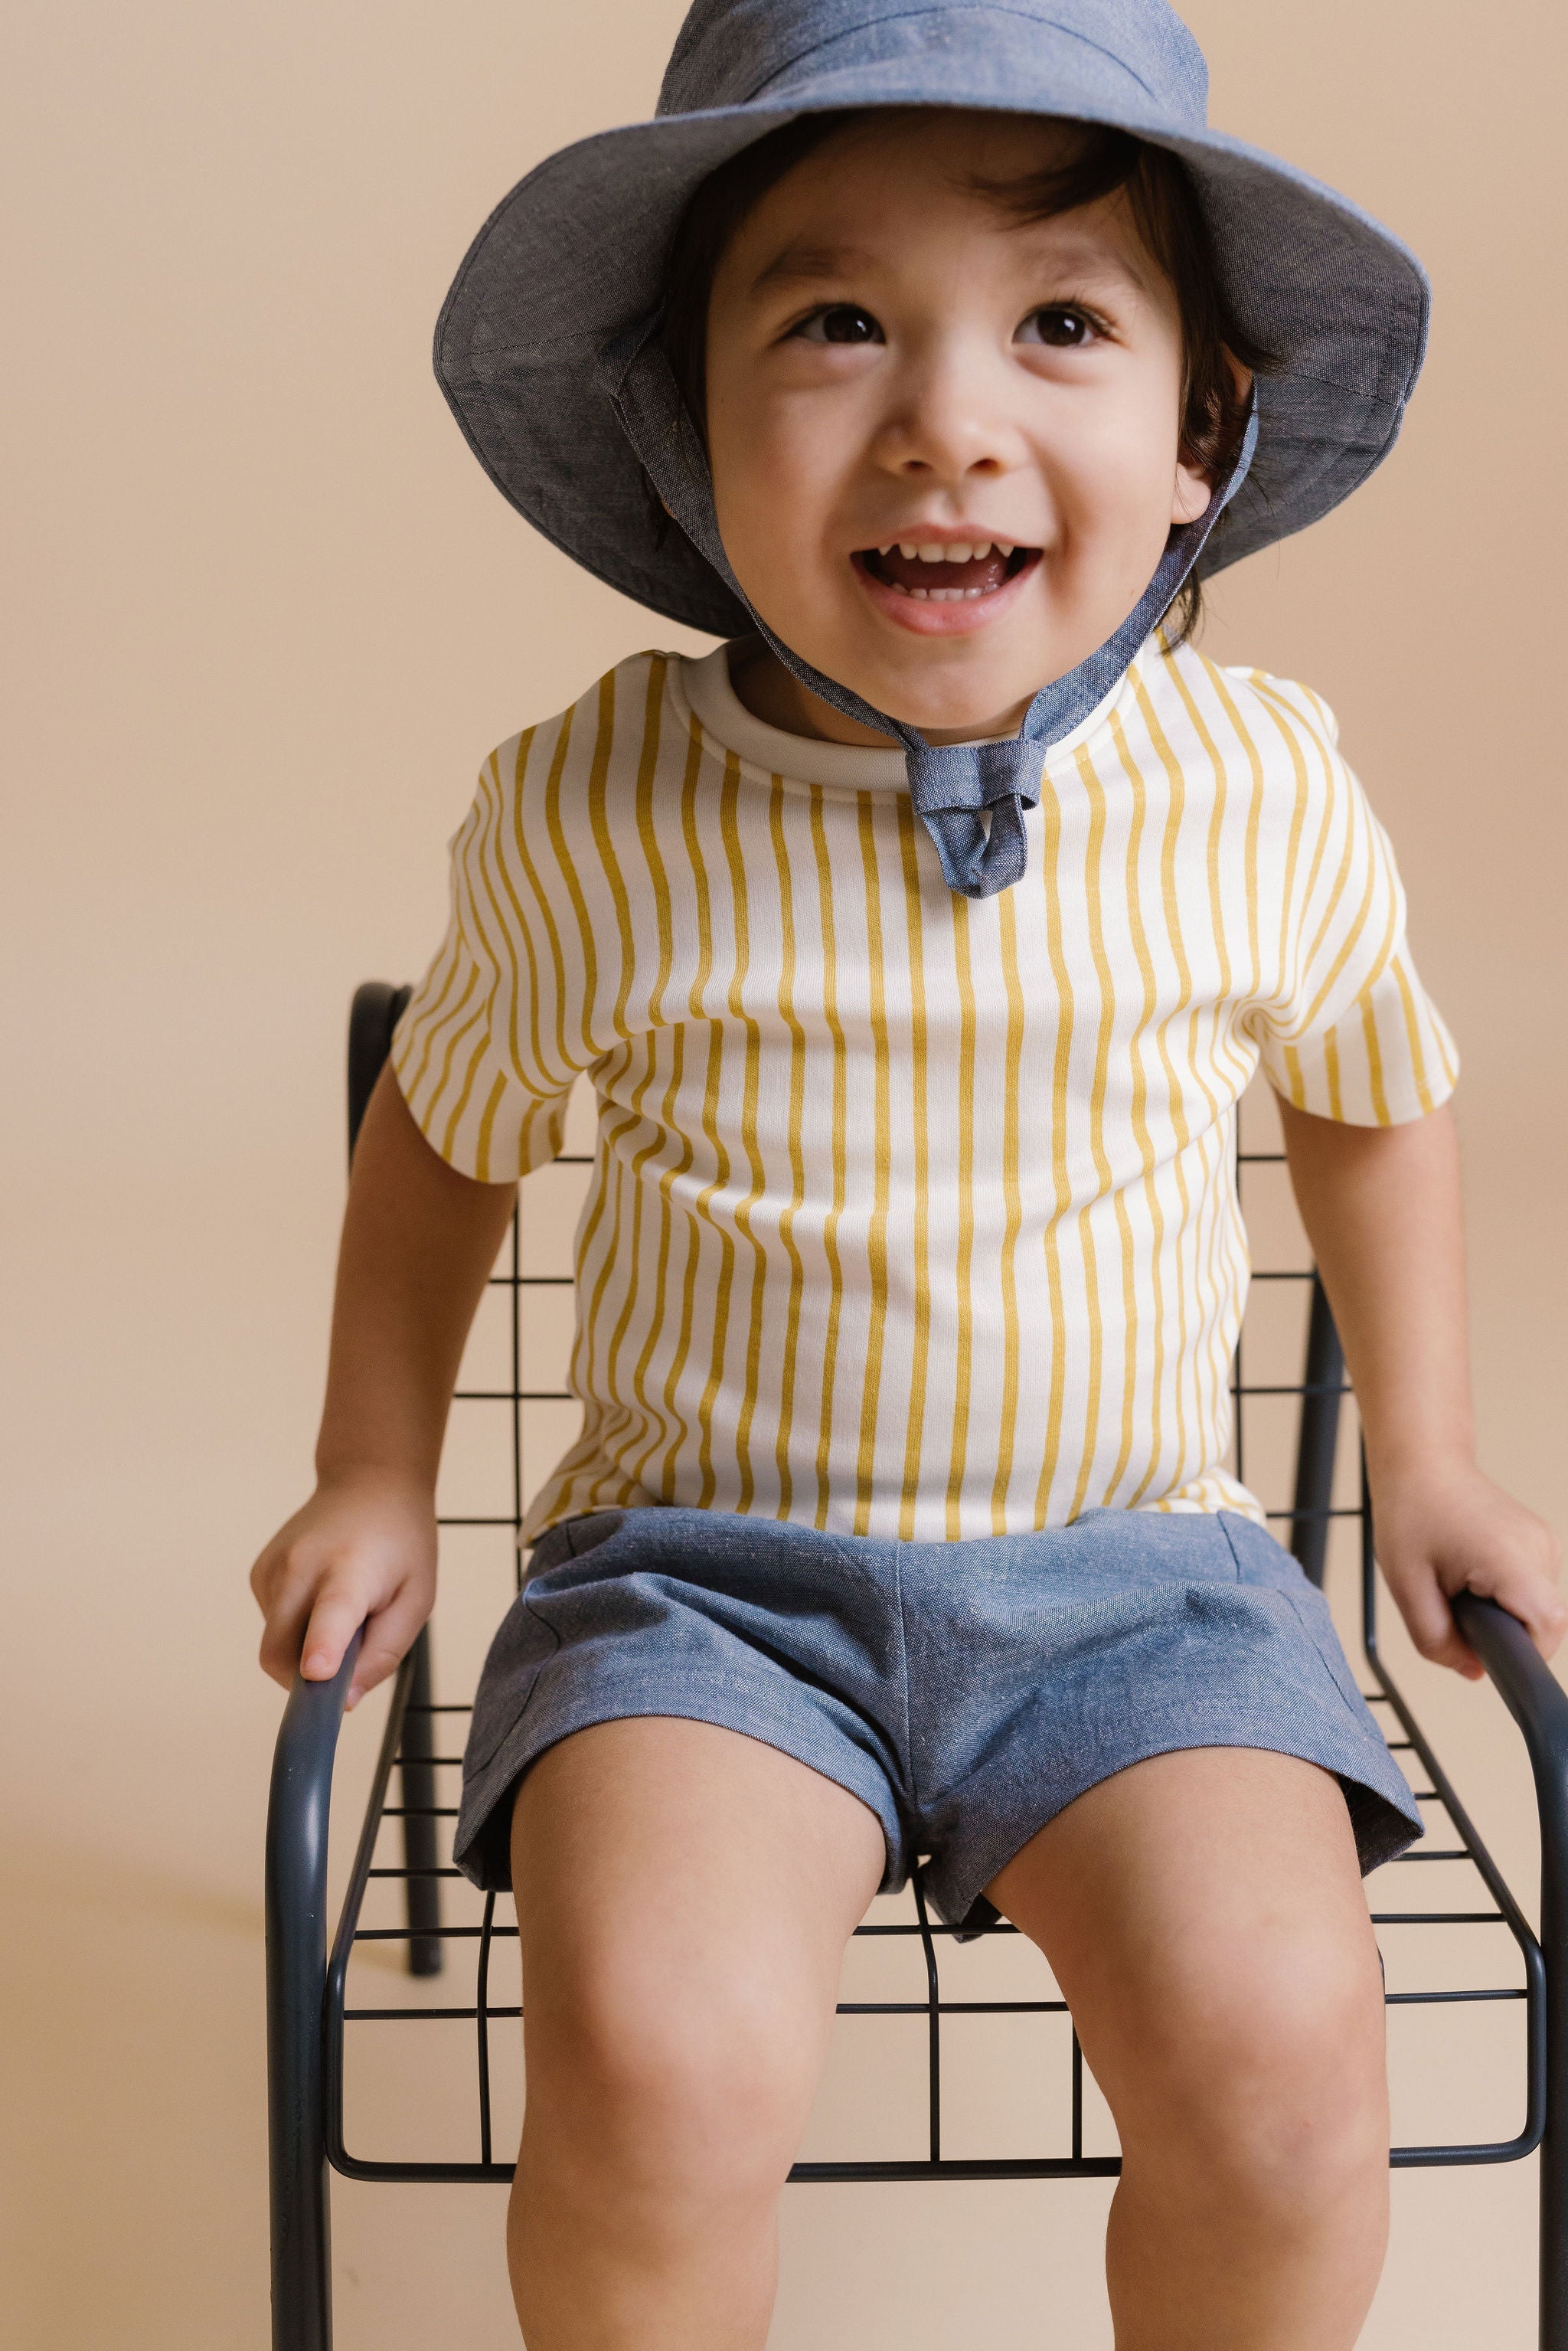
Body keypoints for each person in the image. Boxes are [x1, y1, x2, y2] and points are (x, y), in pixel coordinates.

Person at [250, 3, 1563, 2344]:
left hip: (1149, 1585)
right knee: (658, 2063)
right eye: (836, 322)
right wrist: (371, 1469)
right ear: (685, 434)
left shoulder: (1259, 785)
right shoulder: (592, 808)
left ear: (1203, 435)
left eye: (1061, 323)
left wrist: (1437, 1458)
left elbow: (1373, 1090)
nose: (947, 417)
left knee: (1287, 2068)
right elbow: (443, 1135)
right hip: (705, 1591)